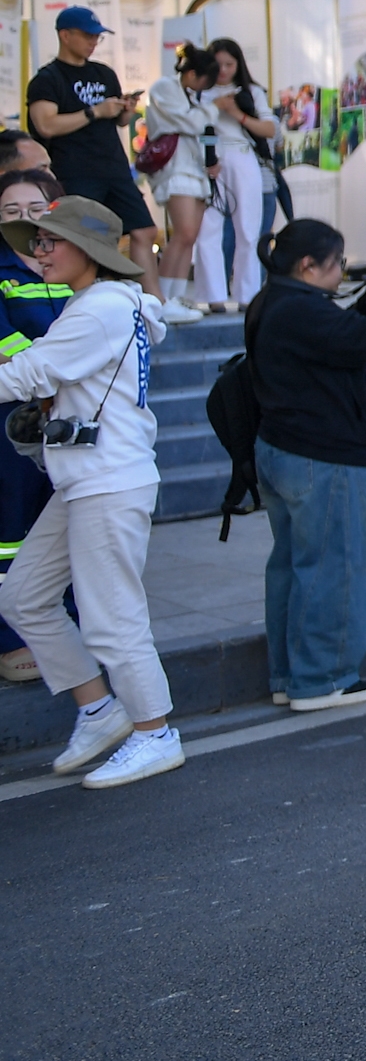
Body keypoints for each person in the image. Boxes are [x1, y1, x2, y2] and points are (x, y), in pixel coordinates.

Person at [0, 194, 182, 786]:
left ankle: (155, 733)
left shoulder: (99, 307)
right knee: (24, 596)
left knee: (113, 620)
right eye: (37, 241)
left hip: (106, 482)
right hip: (89, 479)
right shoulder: (103, 304)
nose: (40, 251)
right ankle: (100, 711)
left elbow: (31, 371)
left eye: (51, 241)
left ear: (90, 250)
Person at [247, 219, 366, 709]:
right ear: (309, 266)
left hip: (285, 450)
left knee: (294, 566)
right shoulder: (299, 310)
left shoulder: (276, 301)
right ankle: (324, 678)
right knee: (339, 566)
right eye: (338, 263)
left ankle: (290, 676)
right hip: (322, 456)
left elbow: (342, 334)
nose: (343, 271)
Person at [29, 7, 173, 314]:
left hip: (114, 167)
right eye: (87, 35)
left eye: (97, 36)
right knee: (83, 238)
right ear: (65, 35)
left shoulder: (104, 74)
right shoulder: (48, 79)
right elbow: (45, 124)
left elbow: (117, 121)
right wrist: (95, 111)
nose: (93, 42)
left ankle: (156, 303)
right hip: (75, 171)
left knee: (144, 230)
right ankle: (83, 304)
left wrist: (124, 110)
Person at [0, 167, 68, 687]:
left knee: (68, 529)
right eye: (10, 212)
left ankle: (70, 629)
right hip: (13, 423)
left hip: (69, 420)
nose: (23, 221)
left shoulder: (73, 266)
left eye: (34, 210)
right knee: (12, 528)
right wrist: (57, 368)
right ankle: (11, 641)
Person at [145, 43, 224, 324]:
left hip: (196, 169)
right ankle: (161, 300)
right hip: (176, 169)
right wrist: (213, 110)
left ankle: (176, 298)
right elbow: (189, 123)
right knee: (183, 233)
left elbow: (201, 129)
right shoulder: (165, 88)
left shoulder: (189, 94)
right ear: (192, 74)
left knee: (190, 237)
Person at [198, 38, 278, 311]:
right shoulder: (200, 92)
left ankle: (247, 294)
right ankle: (214, 296)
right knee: (208, 229)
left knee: (248, 228)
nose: (223, 70)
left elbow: (270, 129)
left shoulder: (251, 91)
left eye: (229, 64)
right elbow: (197, 127)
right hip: (210, 159)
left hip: (243, 155)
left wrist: (236, 113)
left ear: (238, 64)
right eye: (218, 64)